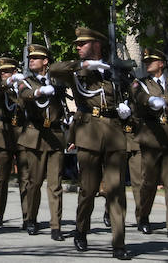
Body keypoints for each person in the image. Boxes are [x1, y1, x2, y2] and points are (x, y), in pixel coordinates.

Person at [49, 27, 132, 260]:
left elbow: (132, 93)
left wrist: (128, 111)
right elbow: (54, 69)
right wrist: (83, 65)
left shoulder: (114, 70)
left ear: (97, 45)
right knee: (88, 189)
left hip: (115, 132)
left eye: (82, 44)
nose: (78, 46)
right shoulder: (76, 71)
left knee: (116, 190)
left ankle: (118, 242)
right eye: (77, 44)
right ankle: (81, 229)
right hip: (88, 131)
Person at [14, 44, 68, 240]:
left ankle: (56, 226)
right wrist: (38, 92)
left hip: (55, 135)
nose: (31, 61)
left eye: (36, 58)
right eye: (30, 58)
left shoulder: (57, 81)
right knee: (34, 183)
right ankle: (31, 219)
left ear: (46, 61)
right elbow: (24, 94)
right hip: (35, 135)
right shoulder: (26, 82)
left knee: (55, 184)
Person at [131, 48, 168, 240]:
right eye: (146, 61)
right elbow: (138, 97)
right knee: (149, 182)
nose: (147, 63)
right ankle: (143, 216)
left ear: (161, 63)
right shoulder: (142, 83)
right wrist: (153, 100)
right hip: (151, 136)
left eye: (151, 61)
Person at [0, 54, 24, 228]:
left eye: (7, 71)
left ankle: (28, 216)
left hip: (22, 134)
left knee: (26, 177)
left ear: (14, 71)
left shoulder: (23, 87)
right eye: (1, 72)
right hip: (3, 134)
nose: (3, 74)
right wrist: (6, 83)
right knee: (2, 178)